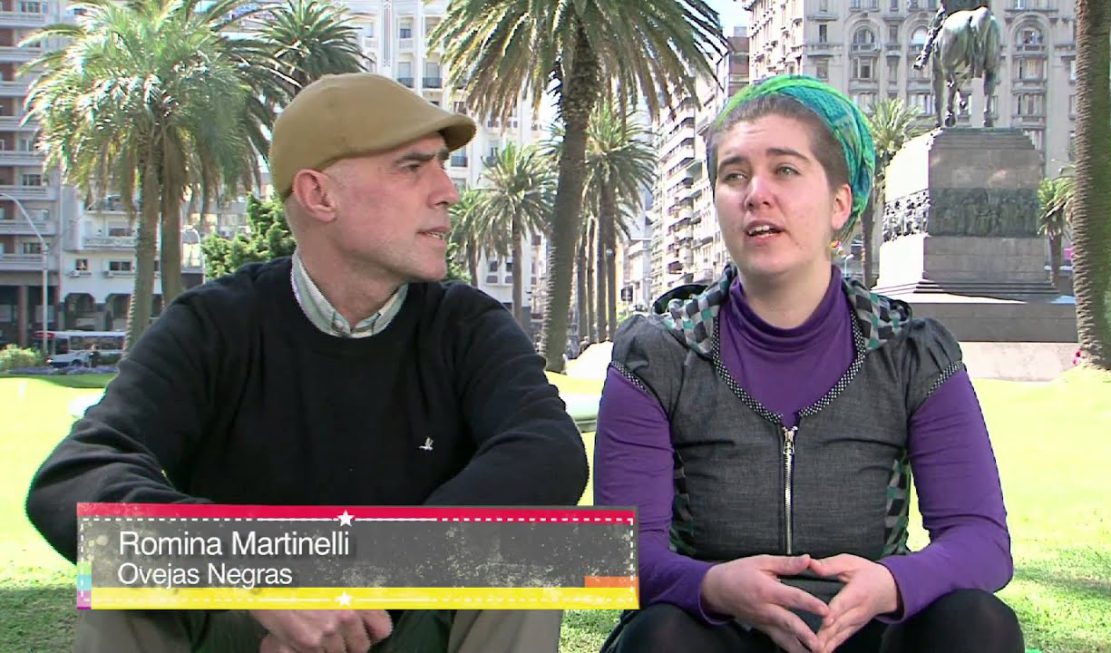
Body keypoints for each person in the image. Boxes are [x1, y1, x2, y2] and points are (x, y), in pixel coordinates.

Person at [26, 73, 589, 653]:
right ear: (320, 196)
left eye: (441, 166)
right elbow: (77, 475)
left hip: (405, 615)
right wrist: (249, 571)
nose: (448, 191)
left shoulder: (467, 325)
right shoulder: (213, 325)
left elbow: (548, 450)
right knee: (121, 577)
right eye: (412, 167)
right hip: (252, 628)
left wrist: (368, 572)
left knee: (532, 556)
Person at [595, 75, 1023, 653]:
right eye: (734, 175)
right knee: (659, 637)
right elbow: (621, 556)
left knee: (979, 622)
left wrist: (893, 584)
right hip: (717, 633)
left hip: (866, 632)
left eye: (785, 170)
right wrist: (713, 587)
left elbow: (982, 541)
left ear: (840, 204)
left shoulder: (910, 352)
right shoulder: (658, 353)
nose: (756, 194)